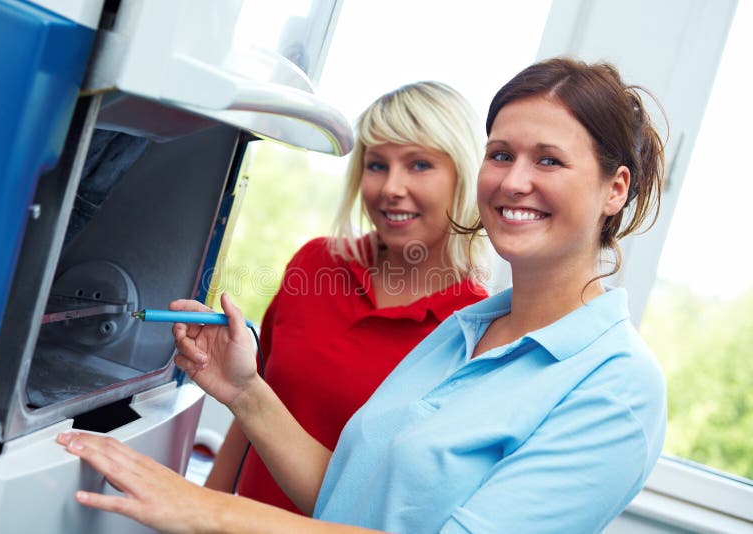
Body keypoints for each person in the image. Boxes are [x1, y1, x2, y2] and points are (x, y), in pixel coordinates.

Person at [57, 57, 668, 533]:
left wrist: (208, 512)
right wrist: (244, 391)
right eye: (502, 155)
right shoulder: (464, 333)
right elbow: (346, 499)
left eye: (549, 161)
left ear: (615, 189)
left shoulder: (618, 388)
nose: (514, 181)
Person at [205, 81, 490, 513]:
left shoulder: (478, 326)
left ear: (464, 176)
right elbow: (253, 404)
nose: (391, 187)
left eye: (419, 165)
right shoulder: (315, 264)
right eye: (377, 165)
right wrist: (202, 508)